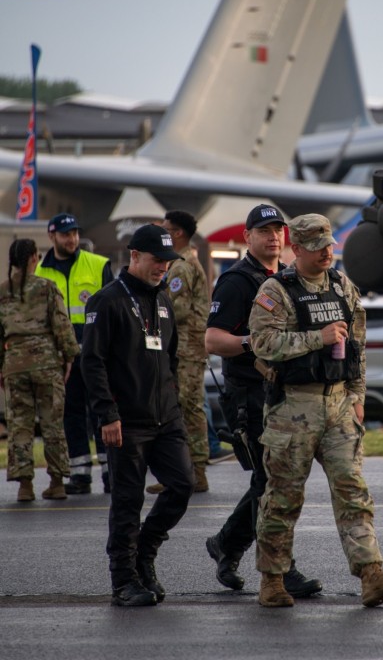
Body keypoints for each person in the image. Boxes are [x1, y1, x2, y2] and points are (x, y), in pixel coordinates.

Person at [249, 213, 383, 608]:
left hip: (339, 403)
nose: (326, 253)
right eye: (316, 247)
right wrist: (316, 338)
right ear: (297, 249)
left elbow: (357, 346)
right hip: (294, 405)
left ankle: (372, 575)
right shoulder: (277, 290)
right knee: (283, 498)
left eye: (328, 245)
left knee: (353, 492)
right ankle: (272, 580)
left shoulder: (343, 287)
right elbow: (262, 342)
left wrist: (358, 396)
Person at [204, 203, 320, 598]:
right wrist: (256, 342)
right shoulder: (237, 281)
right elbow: (213, 339)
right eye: (264, 230)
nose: (274, 236)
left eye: (278, 230)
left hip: (283, 392)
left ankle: (227, 544)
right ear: (247, 237)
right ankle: (281, 569)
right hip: (249, 394)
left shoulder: (288, 277)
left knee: (271, 481)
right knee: (273, 483)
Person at [81, 224, 195, 607]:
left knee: (182, 485)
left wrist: (173, 400)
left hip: (166, 418)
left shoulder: (162, 300)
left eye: (167, 261)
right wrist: (107, 414)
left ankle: (144, 553)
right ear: (134, 256)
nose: (163, 267)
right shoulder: (107, 301)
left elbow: (170, 356)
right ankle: (124, 580)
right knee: (127, 502)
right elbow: (92, 363)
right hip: (125, 422)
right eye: (156, 260)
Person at [36, 213, 113, 495]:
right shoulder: (40, 273)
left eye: (75, 233)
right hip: (62, 360)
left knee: (103, 412)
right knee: (71, 415)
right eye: (66, 234)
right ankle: (80, 475)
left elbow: (112, 310)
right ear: (52, 236)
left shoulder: (98, 265)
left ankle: (110, 473)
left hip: (96, 356)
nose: (72, 239)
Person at [0, 239, 80, 502]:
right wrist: (70, 356)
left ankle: (25, 486)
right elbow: (61, 326)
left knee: (19, 425)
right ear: (34, 257)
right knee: (52, 423)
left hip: (15, 364)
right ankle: (56, 483)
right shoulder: (47, 287)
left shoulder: (2, 291)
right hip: (46, 363)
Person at [145, 210, 212, 495]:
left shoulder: (182, 267)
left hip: (186, 347)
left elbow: (178, 309)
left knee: (188, 408)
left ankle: (195, 473)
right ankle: (184, 472)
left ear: (178, 233)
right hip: (183, 347)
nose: (163, 232)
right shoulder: (181, 263)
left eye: (166, 229)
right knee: (181, 409)